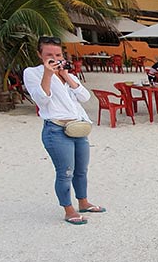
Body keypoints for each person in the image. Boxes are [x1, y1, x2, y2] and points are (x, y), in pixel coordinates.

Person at [22, 36, 104, 225]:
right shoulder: (33, 73)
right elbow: (42, 99)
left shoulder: (68, 75)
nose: (54, 58)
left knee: (81, 170)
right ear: (39, 54)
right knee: (65, 172)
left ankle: (83, 202)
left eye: (58, 54)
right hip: (56, 130)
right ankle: (68, 210)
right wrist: (48, 74)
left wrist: (65, 75)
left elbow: (84, 97)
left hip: (78, 128)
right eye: (49, 55)